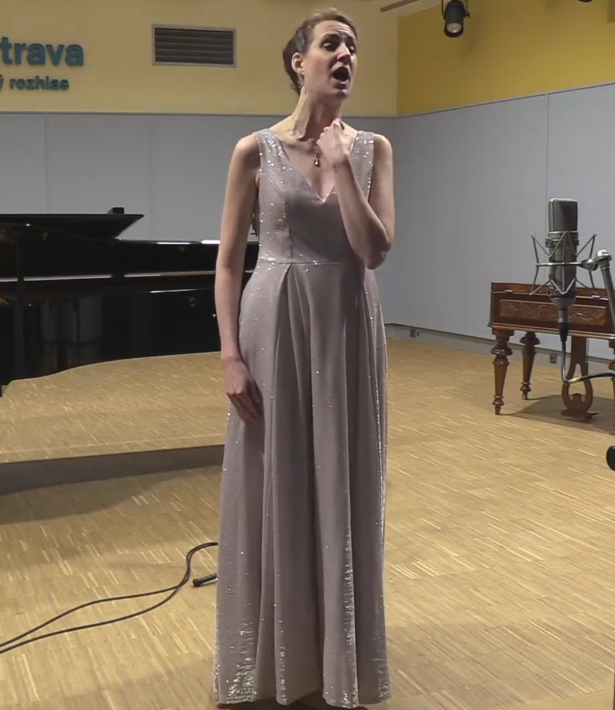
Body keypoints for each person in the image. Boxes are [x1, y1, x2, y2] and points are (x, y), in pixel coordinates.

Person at [212, 8, 395, 710]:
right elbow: (228, 263)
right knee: (276, 482)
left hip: (346, 327)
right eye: (331, 44)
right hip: (275, 327)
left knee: (345, 480)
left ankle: (338, 661)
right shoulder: (252, 151)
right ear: (299, 62)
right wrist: (230, 356)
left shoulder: (372, 148)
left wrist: (343, 168)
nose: (345, 54)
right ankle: (274, 662)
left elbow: (372, 250)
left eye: (352, 46)